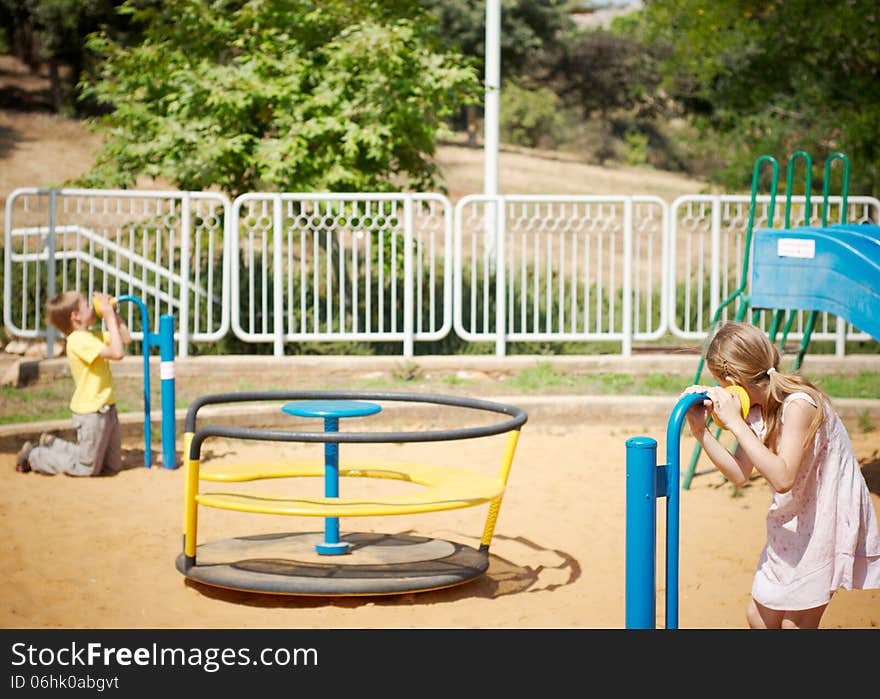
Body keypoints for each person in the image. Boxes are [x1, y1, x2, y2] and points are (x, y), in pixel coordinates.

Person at [682, 320, 880, 629]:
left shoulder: (798, 405)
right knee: (759, 618)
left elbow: (783, 477)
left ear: (733, 379)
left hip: (824, 520)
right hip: (791, 522)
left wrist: (735, 423)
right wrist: (700, 430)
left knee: (794, 625)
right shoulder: (759, 410)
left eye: (721, 382)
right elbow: (739, 474)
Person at [15, 291, 132, 477]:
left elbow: (125, 339)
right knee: (86, 467)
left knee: (112, 467)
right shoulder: (78, 341)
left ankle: (52, 443)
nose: (92, 307)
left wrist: (114, 314)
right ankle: (35, 456)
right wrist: (108, 316)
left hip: (107, 408)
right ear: (75, 316)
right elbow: (118, 353)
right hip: (91, 412)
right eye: (87, 305)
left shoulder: (91, 336)